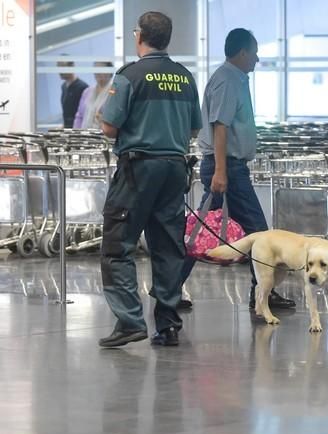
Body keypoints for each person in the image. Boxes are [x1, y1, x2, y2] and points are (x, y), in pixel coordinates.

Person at [98, 11, 202, 348]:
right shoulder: (185, 78)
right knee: (168, 246)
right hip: (174, 169)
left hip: (138, 169)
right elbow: (194, 128)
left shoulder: (130, 75)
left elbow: (110, 127)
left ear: (138, 36)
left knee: (118, 245)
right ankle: (168, 324)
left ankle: (130, 321)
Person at [177, 28, 295, 312]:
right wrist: (220, 171)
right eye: (254, 52)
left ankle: (168, 289)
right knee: (257, 231)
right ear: (242, 52)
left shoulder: (234, 79)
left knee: (200, 233)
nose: (257, 59)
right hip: (226, 167)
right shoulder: (228, 80)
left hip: (228, 167)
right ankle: (263, 293)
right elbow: (221, 126)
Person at [74, 61, 113, 129]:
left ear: (109, 72)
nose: (98, 73)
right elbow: (79, 116)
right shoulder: (87, 92)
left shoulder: (113, 92)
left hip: (103, 135)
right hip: (84, 134)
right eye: (96, 70)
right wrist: (75, 133)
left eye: (101, 69)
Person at [58, 59, 88, 128]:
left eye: (62, 67)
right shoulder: (64, 87)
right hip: (67, 129)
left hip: (77, 130)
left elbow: (84, 114)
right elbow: (67, 112)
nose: (60, 71)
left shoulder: (82, 87)